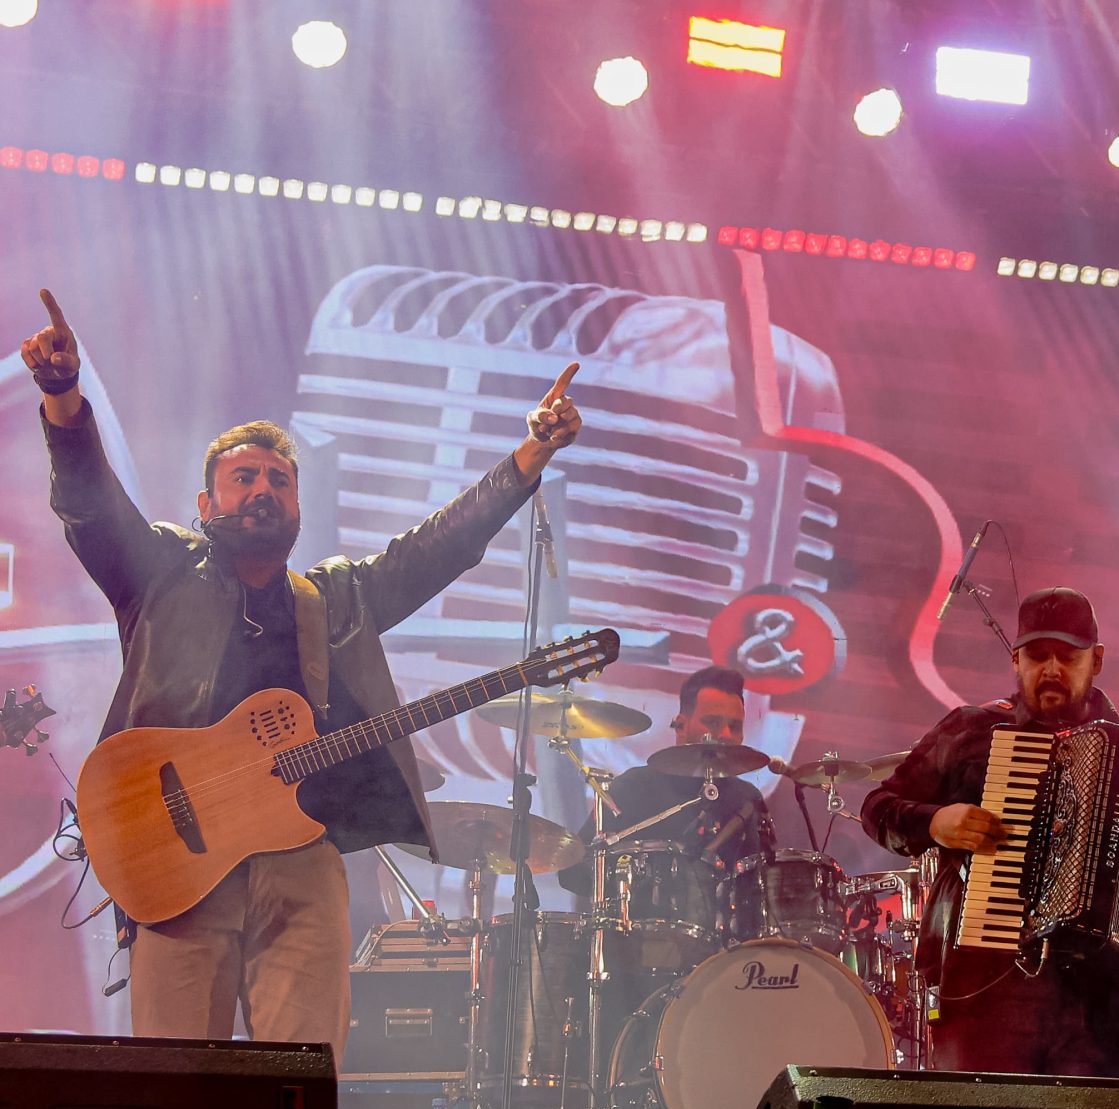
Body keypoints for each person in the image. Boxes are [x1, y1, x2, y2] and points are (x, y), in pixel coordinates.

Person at [22, 287, 583, 1064]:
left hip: (302, 863)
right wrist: (63, 400)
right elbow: (89, 506)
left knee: (299, 1091)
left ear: (297, 503)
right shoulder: (157, 572)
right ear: (205, 502)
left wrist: (529, 458)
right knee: (177, 1093)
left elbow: (436, 548)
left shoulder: (337, 597)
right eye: (243, 478)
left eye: (278, 481)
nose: (262, 491)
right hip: (177, 869)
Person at [861, 587, 1119, 1076]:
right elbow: (878, 808)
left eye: (1067, 657)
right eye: (1037, 656)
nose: (1051, 669)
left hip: (1096, 1003)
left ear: (1096, 661)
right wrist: (935, 822)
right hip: (985, 988)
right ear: (1015, 660)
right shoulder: (973, 731)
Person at [556, 664, 772, 935]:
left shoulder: (747, 799)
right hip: (633, 953)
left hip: (723, 958)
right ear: (681, 726)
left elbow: (763, 892)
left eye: (735, 726)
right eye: (713, 723)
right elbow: (573, 871)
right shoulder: (633, 787)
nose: (726, 735)